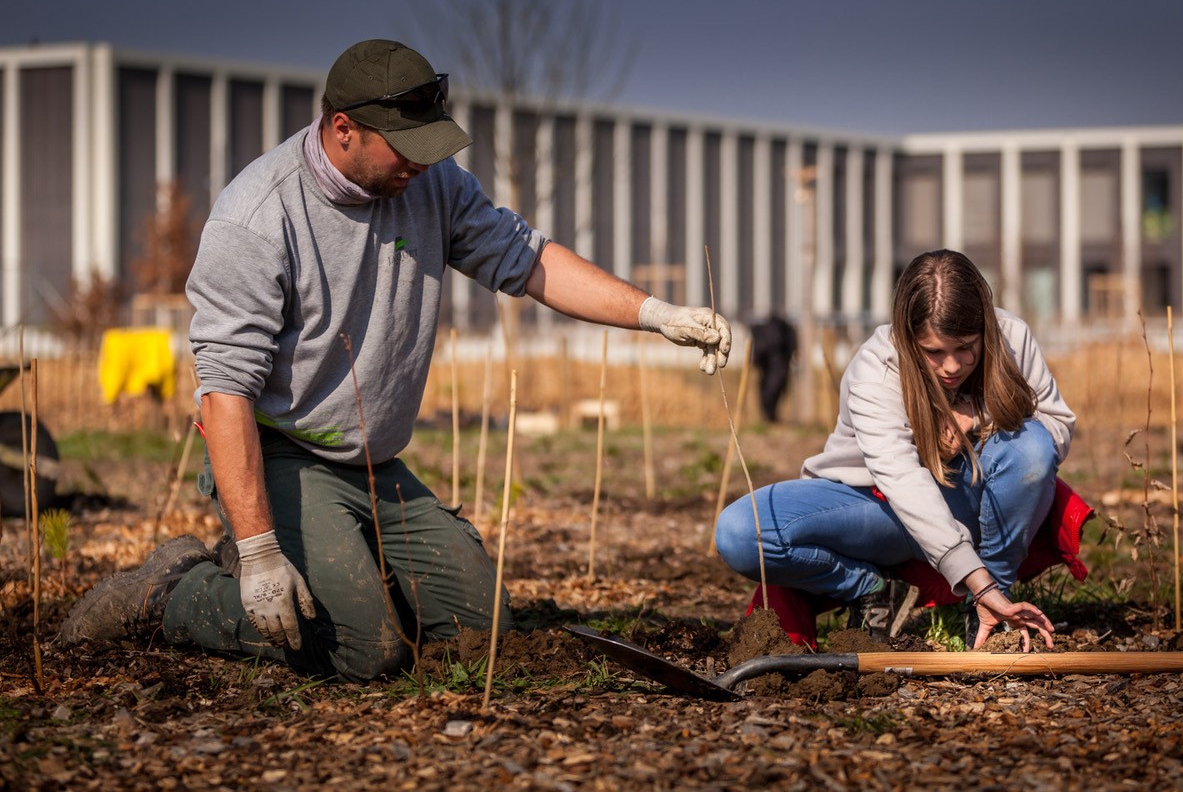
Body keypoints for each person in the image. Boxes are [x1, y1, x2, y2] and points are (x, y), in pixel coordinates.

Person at [59, 39, 731, 682]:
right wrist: (262, 552)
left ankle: (345, 571)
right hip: (282, 453)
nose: (421, 163)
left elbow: (528, 259)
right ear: (343, 128)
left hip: (377, 465)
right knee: (363, 645)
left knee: (481, 630)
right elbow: (224, 395)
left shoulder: (431, 185)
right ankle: (171, 591)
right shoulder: (257, 219)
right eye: (405, 147)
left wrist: (657, 315)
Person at [716, 249, 1074, 651]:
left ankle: (991, 604)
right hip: (875, 509)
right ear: (907, 336)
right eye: (934, 352)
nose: (953, 366)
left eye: (966, 347)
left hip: (969, 499)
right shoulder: (876, 369)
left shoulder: (1013, 337)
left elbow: (1056, 427)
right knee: (739, 532)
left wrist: (978, 414)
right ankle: (872, 590)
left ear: (985, 327)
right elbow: (901, 480)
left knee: (1031, 448)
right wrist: (968, 571)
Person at [750, 312, 797, 422]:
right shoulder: (784, 331)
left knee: (769, 392)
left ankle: (770, 417)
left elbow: (759, 352)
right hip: (776, 367)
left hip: (772, 367)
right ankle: (770, 417)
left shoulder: (767, 332)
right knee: (772, 391)